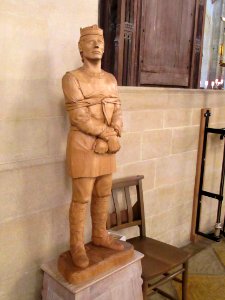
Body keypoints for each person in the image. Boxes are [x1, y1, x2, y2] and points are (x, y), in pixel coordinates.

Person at [62, 25, 123, 269]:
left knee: (103, 193)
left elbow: (118, 110)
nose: (97, 44)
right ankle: (77, 245)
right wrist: (109, 135)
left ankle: (100, 234)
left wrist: (114, 133)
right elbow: (78, 116)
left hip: (107, 146)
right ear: (80, 47)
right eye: (90, 41)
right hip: (83, 146)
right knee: (82, 198)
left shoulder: (110, 79)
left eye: (100, 40)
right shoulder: (71, 78)